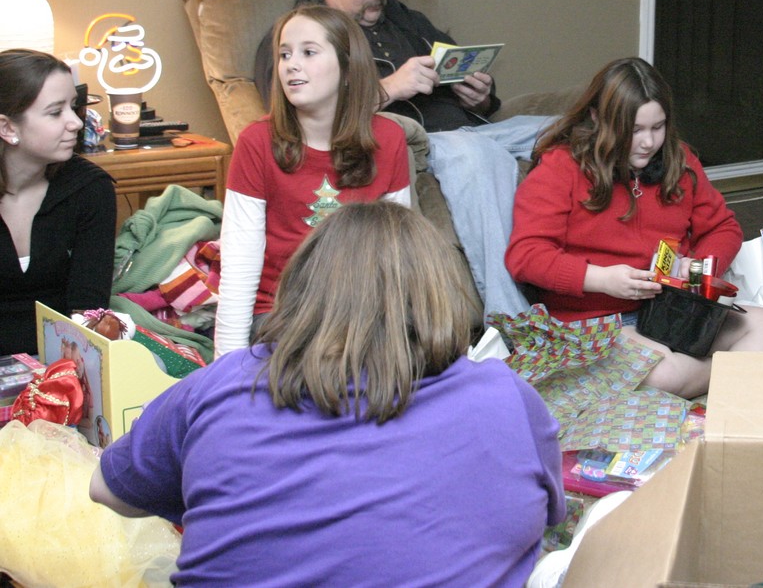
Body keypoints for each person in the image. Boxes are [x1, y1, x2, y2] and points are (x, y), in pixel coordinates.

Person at [91, 200, 565, 586]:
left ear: (301, 288)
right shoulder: (508, 396)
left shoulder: (222, 382)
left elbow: (106, 489)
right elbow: (542, 518)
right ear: (441, 294)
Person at [255, 0, 548, 319]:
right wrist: (389, 88)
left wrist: (480, 96)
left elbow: (464, 72)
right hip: (430, 142)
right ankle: (512, 320)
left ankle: (602, 296)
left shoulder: (405, 19)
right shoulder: (299, 41)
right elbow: (295, 111)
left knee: (577, 127)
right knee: (474, 153)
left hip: (474, 127)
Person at [505, 57, 763, 399]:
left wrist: (699, 267)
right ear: (597, 119)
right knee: (662, 372)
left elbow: (723, 228)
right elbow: (526, 256)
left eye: (658, 127)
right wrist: (601, 279)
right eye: (634, 130)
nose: (648, 142)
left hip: (670, 311)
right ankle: (736, 375)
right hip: (595, 321)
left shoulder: (680, 160)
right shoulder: (560, 167)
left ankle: (707, 378)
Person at [215, 5, 411, 357]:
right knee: (329, 358)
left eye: (308, 52)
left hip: (363, 313)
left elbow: (399, 257)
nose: (291, 64)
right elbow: (239, 266)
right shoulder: (256, 141)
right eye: (285, 54)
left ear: (348, 68)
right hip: (282, 313)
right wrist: (225, 367)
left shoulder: (389, 138)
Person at [0, 49, 115, 354]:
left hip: (64, 355)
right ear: (7, 128)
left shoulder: (90, 189)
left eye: (73, 106)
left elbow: (88, 308)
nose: (75, 122)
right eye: (55, 112)